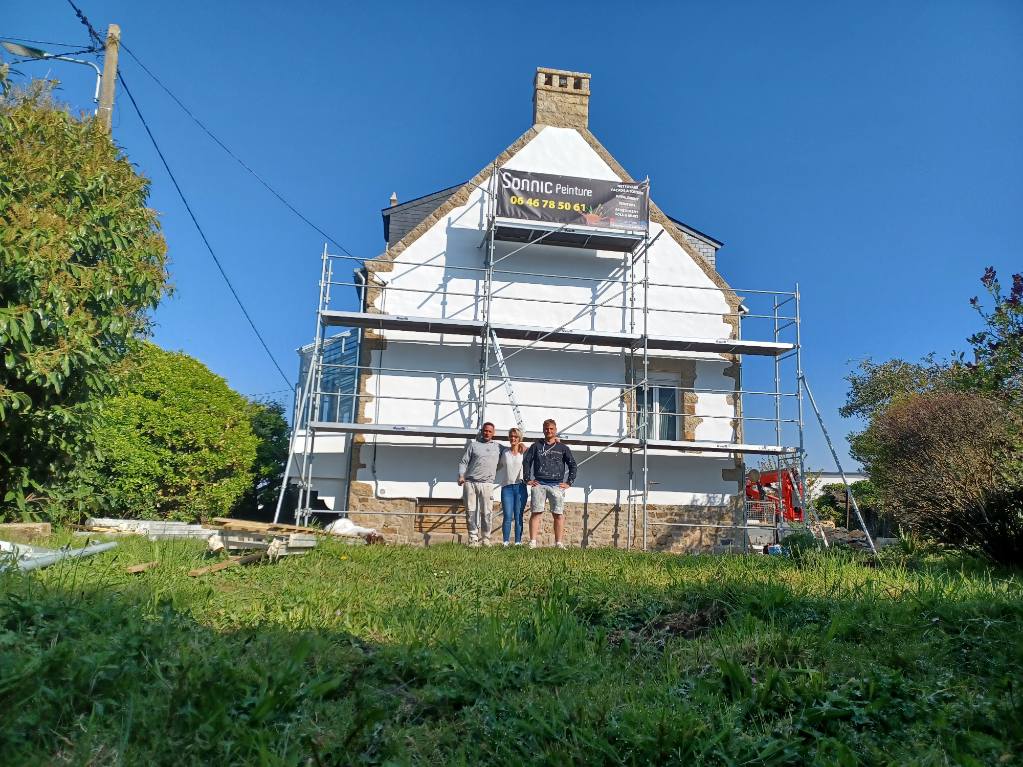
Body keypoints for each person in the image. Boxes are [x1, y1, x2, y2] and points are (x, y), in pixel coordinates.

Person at [523, 418, 577, 549]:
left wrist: (569, 482)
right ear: (543, 430)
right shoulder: (536, 446)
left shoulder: (562, 448)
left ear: (555, 430)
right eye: (546, 429)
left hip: (557, 485)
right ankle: (533, 542)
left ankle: (558, 543)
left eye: (551, 429)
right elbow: (526, 462)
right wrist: (527, 479)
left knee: (558, 514)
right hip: (539, 483)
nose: (549, 431)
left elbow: (573, 465)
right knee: (536, 512)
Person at [457, 422, 502, 546]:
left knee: (487, 512)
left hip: (487, 484)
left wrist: (523, 447)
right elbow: (463, 462)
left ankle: (486, 539)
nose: (487, 433)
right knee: (470, 511)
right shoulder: (473, 445)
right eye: (485, 431)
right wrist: (461, 475)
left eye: (489, 431)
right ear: (482, 431)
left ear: (493, 433)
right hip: (470, 482)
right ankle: (473, 538)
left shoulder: (498, 447)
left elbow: (513, 451)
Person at [498, 427, 528, 546]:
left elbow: (539, 449)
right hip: (507, 488)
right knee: (507, 516)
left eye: (515, 436)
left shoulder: (524, 451)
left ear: (519, 438)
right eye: (511, 436)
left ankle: (517, 542)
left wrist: (557, 440)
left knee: (518, 515)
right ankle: (505, 542)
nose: (513, 438)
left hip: (520, 487)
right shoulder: (505, 452)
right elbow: (497, 465)